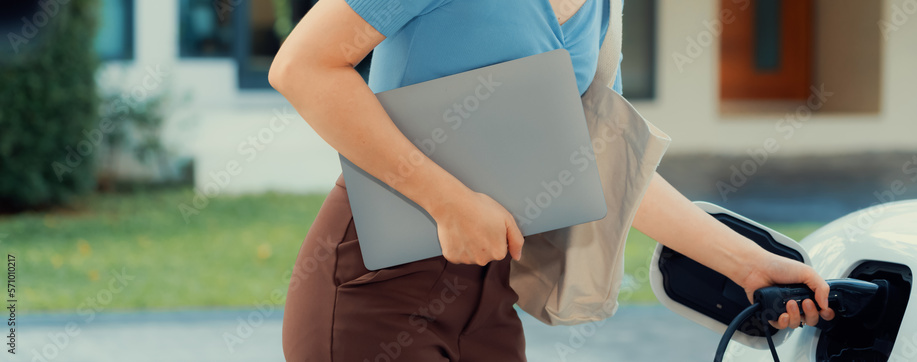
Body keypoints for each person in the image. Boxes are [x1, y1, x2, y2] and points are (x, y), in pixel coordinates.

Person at [270, 0, 836, 360]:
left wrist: (747, 263)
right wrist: (447, 203)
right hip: (375, 279)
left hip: (487, 295)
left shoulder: (602, 10)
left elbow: (598, 162)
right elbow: (303, 67)